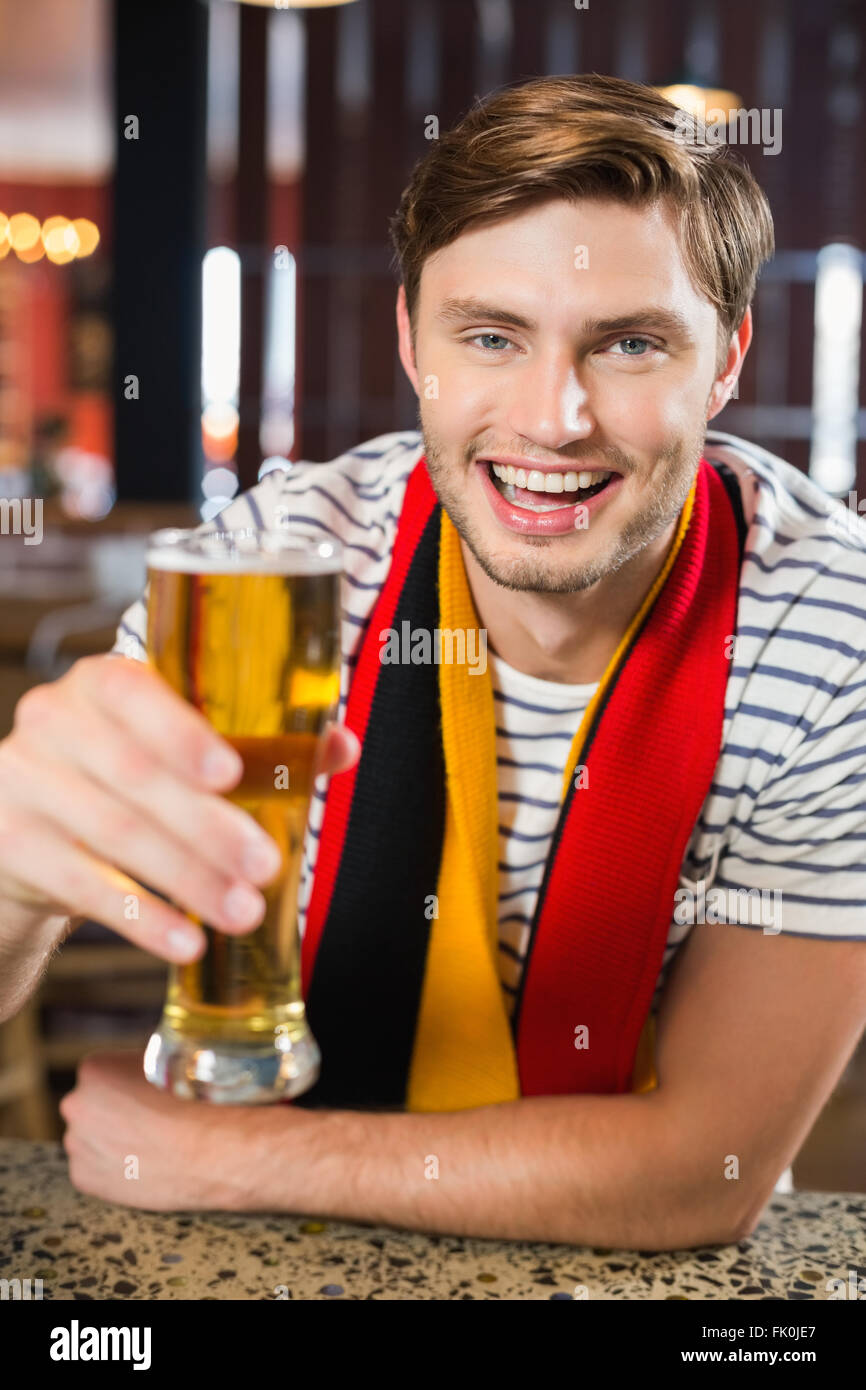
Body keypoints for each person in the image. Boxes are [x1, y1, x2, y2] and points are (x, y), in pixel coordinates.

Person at [1, 74, 865, 1250]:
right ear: (412, 341)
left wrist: (232, 1155)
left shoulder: (833, 630)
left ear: (725, 362)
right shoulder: (265, 568)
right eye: (491, 335)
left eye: (628, 343)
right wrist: (12, 878)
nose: (553, 417)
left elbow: (694, 1171)